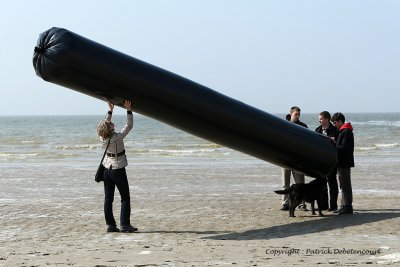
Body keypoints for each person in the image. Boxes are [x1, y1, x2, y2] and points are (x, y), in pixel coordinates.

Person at [97, 100, 138, 232]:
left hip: (106, 170)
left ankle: (110, 225)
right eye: (110, 124)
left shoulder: (102, 137)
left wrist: (110, 111)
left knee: (108, 199)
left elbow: (104, 125)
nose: (111, 123)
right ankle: (125, 225)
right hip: (118, 169)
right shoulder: (118, 137)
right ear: (110, 129)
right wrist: (128, 109)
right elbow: (129, 125)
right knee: (125, 198)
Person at [280, 106, 308, 211]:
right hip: (285, 158)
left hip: (298, 159)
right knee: (285, 184)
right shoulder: (283, 125)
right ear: (291, 114)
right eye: (296, 114)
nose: (297, 116)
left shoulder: (303, 126)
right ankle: (285, 204)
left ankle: (302, 204)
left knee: (300, 183)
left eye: (299, 115)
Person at [331, 112, 354, 215]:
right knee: (342, 185)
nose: (334, 124)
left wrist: (334, 144)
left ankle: (348, 206)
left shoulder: (346, 131)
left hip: (345, 162)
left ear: (340, 121)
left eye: (335, 122)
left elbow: (344, 148)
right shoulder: (342, 131)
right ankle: (343, 205)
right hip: (341, 162)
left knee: (345, 185)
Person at [315, 111, 339, 211]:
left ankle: (333, 206)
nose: (319, 120)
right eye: (319, 119)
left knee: (332, 183)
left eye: (321, 119)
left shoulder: (334, 130)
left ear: (327, 119)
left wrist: (333, 141)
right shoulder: (317, 130)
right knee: (321, 183)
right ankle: (323, 206)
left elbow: (339, 146)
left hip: (331, 161)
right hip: (320, 161)